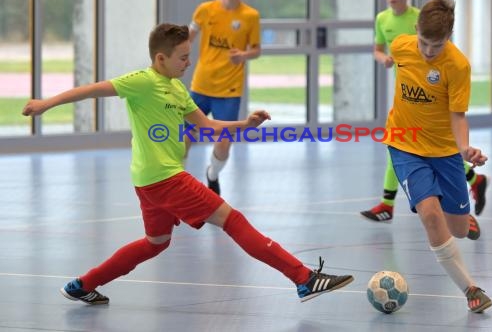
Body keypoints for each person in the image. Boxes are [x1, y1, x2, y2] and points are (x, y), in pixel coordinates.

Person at [21, 23, 353, 305]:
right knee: (233, 220)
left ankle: (82, 285)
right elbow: (89, 91)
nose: (188, 63)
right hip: (165, 180)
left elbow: (207, 126)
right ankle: (303, 277)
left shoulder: (177, 88)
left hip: (149, 181)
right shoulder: (140, 82)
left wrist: (246, 125)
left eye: (189, 56)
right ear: (160, 58)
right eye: (182, 57)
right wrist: (46, 104)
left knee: (155, 243)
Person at [381, 0, 492, 312]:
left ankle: (464, 219)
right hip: (404, 144)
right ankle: (471, 290)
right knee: (430, 215)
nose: (429, 51)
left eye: (438, 45)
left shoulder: (457, 66)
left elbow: (458, 116)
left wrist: (464, 149)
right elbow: (393, 56)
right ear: (416, 31)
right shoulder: (401, 47)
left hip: (444, 151)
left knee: (457, 230)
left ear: (449, 37)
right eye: (425, 43)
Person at [360, 0, 488, 223]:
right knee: (398, 149)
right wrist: (384, 58)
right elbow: (378, 48)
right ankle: (387, 204)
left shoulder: (422, 20)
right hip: (407, 99)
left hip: (432, 103)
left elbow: (444, 59)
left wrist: (464, 147)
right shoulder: (382, 20)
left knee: (434, 154)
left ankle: (470, 184)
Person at [183, 0, 260, 195]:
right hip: (201, 85)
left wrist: (243, 55)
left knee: (224, 143)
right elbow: (188, 37)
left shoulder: (250, 16)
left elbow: (256, 50)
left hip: (229, 90)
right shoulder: (205, 10)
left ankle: (212, 174)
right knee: (184, 137)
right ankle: (178, 184)